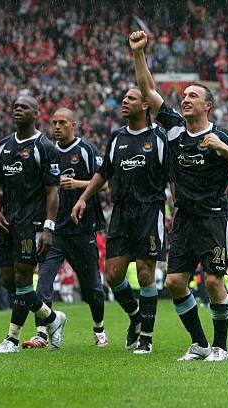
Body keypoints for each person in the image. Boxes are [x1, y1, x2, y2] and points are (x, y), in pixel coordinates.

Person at [130, 30, 228, 361]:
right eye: (183, 95)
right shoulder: (173, 126)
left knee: (214, 283)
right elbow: (148, 90)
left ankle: (221, 347)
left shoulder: (220, 135)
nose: (184, 99)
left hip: (214, 218)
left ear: (208, 105)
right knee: (174, 281)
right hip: (183, 219)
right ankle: (200, 343)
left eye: (192, 96)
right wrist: (139, 53)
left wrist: (223, 148)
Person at [72, 89, 168, 355]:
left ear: (146, 105)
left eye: (131, 98)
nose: (124, 101)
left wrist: (179, 207)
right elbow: (104, 173)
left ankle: (146, 338)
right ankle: (135, 316)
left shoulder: (159, 137)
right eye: (124, 98)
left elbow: (172, 175)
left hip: (150, 210)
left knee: (145, 273)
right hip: (121, 212)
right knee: (113, 275)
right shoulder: (117, 137)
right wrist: (83, 198)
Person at [22, 107, 107, 349]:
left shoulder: (86, 150)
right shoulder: (47, 151)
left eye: (62, 123)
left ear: (73, 125)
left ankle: (99, 328)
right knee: (44, 281)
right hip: (55, 230)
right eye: (54, 123)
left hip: (82, 230)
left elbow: (107, 184)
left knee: (92, 288)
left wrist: (77, 184)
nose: (57, 127)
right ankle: (42, 331)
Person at [0, 95, 66, 353]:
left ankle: (11, 339)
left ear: (36, 114)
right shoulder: (3, 146)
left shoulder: (44, 147)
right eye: (15, 107)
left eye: (24, 107)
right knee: (8, 281)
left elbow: (52, 191)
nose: (17, 110)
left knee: (23, 278)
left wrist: (48, 227)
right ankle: (53, 318)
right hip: (8, 220)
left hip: (30, 221)